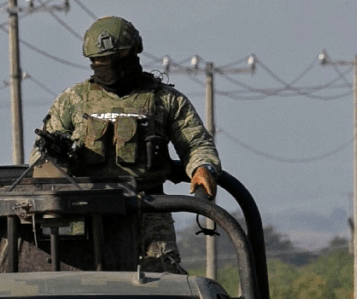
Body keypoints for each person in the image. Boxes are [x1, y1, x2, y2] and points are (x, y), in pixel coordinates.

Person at [31, 16, 221, 273]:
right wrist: (57, 160)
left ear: (132, 53)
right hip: (86, 214)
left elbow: (196, 142)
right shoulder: (73, 100)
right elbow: (39, 155)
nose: (104, 66)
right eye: (98, 61)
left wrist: (202, 168)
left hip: (148, 210)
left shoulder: (165, 100)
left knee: (160, 285)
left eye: (112, 58)